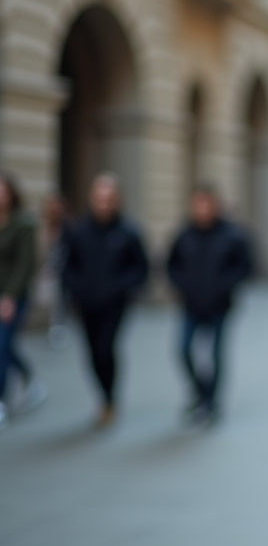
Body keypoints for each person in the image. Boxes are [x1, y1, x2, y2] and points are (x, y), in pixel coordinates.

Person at [61, 173, 149, 428]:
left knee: (105, 348)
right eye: (99, 198)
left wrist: (121, 288)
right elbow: (68, 266)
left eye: (108, 198)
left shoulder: (128, 231)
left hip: (114, 305)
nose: (103, 203)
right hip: (86, 304)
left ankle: (110, 399)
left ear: (117, 200)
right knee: (91, 354)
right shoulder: (80, 230)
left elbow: (140, 269)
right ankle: (103, 397)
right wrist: (75, 289)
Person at [166, 185, 253, 424]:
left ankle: (212, 401)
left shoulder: (231, 235)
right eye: (198, 203)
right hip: (191, 305)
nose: (202, 209)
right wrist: (182, 286)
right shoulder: (185, 234)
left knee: (215, 354)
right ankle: (200, 391)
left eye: (206, 204)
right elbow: (171, 264)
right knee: (183, 350)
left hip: (219, 305)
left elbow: (245, 266)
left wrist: (224, 286)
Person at [0, 171, 47, 429]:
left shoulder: (24, 224)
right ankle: (31, 380)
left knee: (1, 344)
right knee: (4, 346)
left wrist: (9, 296)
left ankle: (1, 401)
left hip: (13, 296)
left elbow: (25, 263)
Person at [35, 193, 70, 349]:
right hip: (44, 270)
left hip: (61, 272)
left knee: (58, 302)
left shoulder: (67, 228)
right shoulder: (40, 228)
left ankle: (57, 328)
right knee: (43, 300)